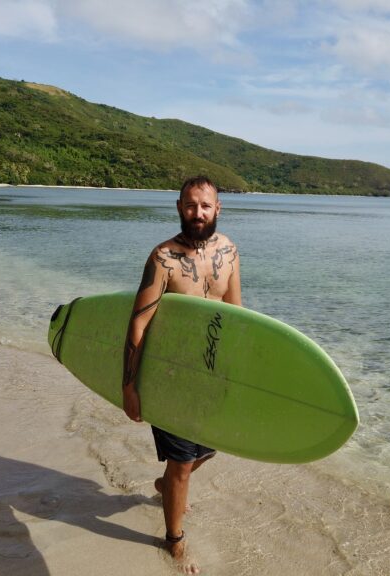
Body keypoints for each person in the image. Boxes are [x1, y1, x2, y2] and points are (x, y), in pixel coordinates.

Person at [121, 175, 241, 573]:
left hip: (209, 375)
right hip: (169, 374)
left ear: (218, 208)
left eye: (205, 206)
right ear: (179, 207)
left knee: (208, 449)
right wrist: (130, 385)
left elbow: (239, 318)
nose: (198, 213)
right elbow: (138, 323)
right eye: (190, 205)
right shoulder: (163, 259)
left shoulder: (230, 252)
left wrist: (240, 377)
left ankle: (166, 485)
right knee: (182, 464)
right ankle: (175, 539)